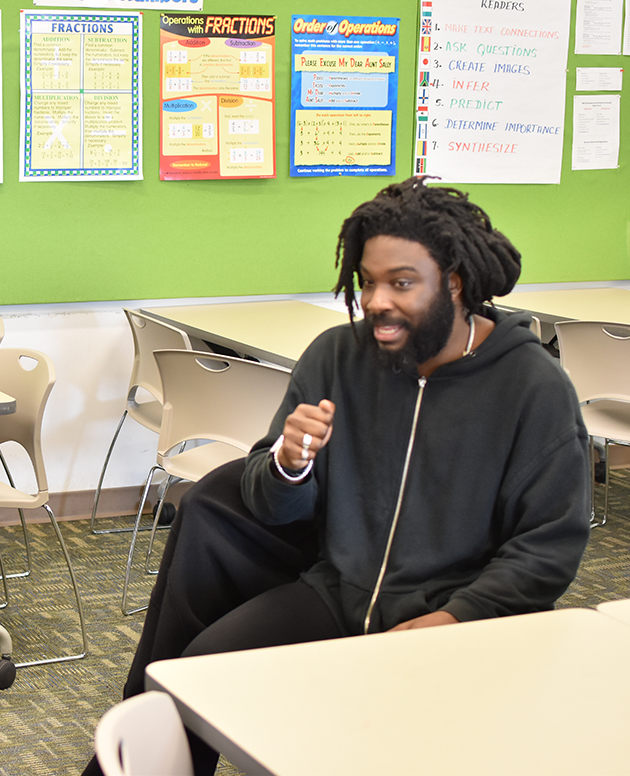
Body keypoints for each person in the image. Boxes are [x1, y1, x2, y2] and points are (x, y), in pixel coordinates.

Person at [83, 177, 592, 775]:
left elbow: (547, 551)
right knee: (187, 681)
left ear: (454, 284)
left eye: (401, 283)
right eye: (368, 282)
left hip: (461, 624)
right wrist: (287, 466)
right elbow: (269, 508)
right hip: (337, 594)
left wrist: (451, 619)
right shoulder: (335, 356)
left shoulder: (532, 388)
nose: (377, 301)